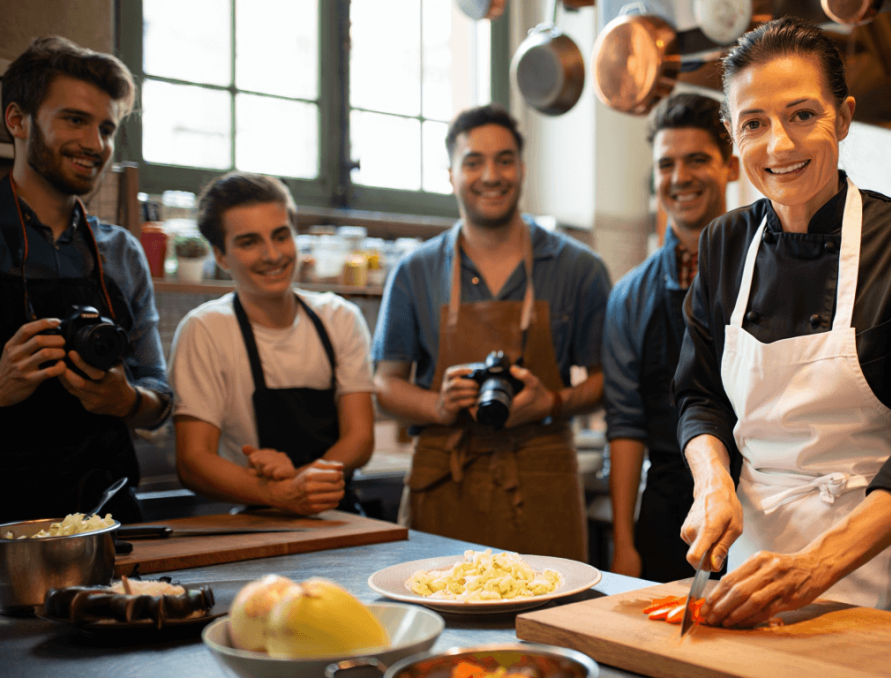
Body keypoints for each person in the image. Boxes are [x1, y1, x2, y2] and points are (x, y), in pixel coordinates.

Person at [675, 18, 891, 626]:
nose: (779, 147)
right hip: (751, 578)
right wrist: (713, 482)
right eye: (754, 123)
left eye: (801, 115)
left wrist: (816, 567)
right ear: (732, 135)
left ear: (842, 119)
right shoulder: (723, 244)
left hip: (883, 579)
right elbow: (699, 395)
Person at [373, 105, 611, 561]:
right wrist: (436, 405)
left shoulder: (579, 268)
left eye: (504, 160)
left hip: (543, 477)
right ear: (451, 174)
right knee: (441, 609)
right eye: (473, 162)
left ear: (522, 169)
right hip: (444, 477)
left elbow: (610, 381)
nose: (491, 175)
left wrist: (551, 402)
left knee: (549, 622)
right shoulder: (415, 271)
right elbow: (384, 383)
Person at [0, 36, 172, 524]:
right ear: (17, 120)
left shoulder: (121, 252)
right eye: (75, 120)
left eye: (106, 128)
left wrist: (126, 399)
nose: (96, 145)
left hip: (107, 521)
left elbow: (159, 396)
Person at [169, 172, 375, 515]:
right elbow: (193, 462)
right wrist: (281, 494)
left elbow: (360, 439)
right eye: (249, 242)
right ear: (220, 256)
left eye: (281, 236)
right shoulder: (205, 329)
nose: (272, 255)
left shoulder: (340, 317)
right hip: (257, 518)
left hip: (341, 517)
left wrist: (298, 483)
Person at [603, 94, 740, 581]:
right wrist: (623, 542)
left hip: (759, 510)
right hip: (667, 517)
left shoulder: (768, 271)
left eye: (697, 159)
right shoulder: (629, 297)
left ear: (731, 167)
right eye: (666, 164)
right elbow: (625, 425)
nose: (679, 177)